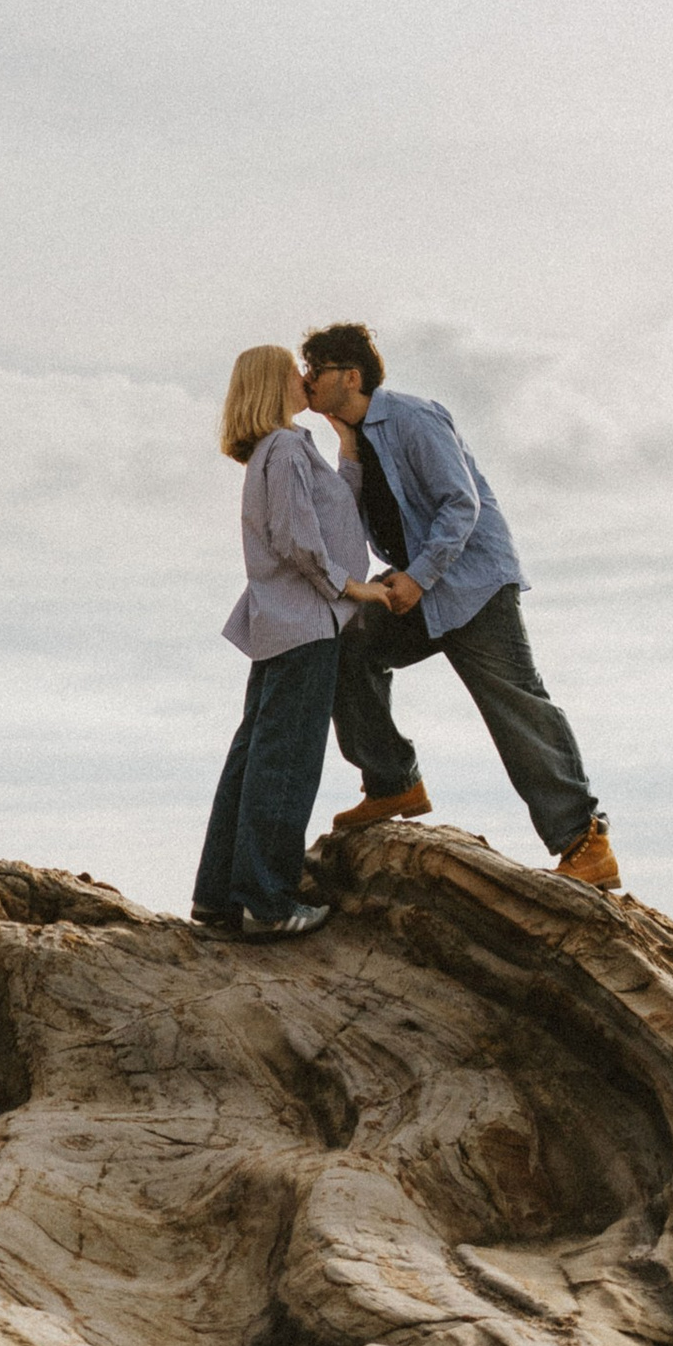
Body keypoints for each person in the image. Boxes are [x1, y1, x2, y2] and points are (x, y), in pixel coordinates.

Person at [299, 321, 620, 888]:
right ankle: (392, 781)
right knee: (345, 640)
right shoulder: (360, 438)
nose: (305, 381)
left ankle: (584, 841)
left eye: (314, 370)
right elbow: (347, 519)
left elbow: (459, 503)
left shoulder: (411, 417)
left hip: (471, 583)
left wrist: (418, 578)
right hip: (416, 587)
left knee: (515, 704)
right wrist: (346, 448)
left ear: (350, 376)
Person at [193, 343, 377, 939]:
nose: (306, 376)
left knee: (253, 760)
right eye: (294, 371)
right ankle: (266, 905)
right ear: (275, 384)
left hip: (278, 623)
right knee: (287, 763)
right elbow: (298, 535)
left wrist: (347, 450)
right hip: (305, 623)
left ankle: (218, 898)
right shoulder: (289, 446)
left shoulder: (274, 452)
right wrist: (354, 587)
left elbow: (337, 515)